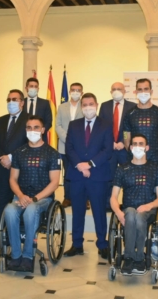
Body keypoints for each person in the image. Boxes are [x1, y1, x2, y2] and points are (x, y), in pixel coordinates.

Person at [4, 116, 61, 271]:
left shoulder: (52, 153)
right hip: (21, 197)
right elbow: (13, 179)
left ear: (43, 130)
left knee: (31, 209)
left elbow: (54, 182)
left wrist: (34, 198)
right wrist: (21, 196)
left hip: (43, 199)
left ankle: (28, 256)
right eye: (29, 128)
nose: (32, 131)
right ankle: (16, 255)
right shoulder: (19, 152)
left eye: (36, 127)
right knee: (9, 210)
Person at [64, 93, 113, 259]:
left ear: (97, 105)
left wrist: (90, 164)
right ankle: (77, 244)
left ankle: (102, 244)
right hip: (77, 175)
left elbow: (107, 150)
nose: (87, 107)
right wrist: (80, 165)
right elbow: (69, 148)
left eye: (90, 104)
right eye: (84, 104)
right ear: (81, 107)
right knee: (77, 211)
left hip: (97, 175)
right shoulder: (73, 125)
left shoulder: (106, 125)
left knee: (99, 211)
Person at [110, 134, 158, 275]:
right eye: (135, 144)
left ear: (147, 147)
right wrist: (118, 212)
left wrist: (149, 206)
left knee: (139, 216)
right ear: (130, 147)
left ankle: (139, 257)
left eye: (141, 144)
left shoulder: (155, 168)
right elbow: (114, 197)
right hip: (128, 210)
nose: (138, 147)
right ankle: (129, 257)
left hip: (149, 210)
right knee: (131, 214)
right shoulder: (122, 168)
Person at [0, 89, 29, 250]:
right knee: (3, 204)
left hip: (22, 170)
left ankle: (21, 235)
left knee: (22, 204)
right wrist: (3, 158)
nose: (11, 102)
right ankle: (3, 236)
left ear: (22, 103)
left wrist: (11, 157)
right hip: (2, 169)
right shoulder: (0, 120)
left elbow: (29, 144)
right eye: (9, 99)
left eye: (15, 99)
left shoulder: (29, 121)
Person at [99, 82, 136, 211]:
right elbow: (101, 126)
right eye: (114, 89)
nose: (116, 91)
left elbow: (133, 127)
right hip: (110, 148)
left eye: (119, 89)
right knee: (109, 177)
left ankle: (128, 204)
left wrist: (123, 142)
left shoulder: (132, 106)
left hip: (125, 148)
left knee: (128, 177)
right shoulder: (104, 106)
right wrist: (111, 143)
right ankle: (108, 204)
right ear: (110, 92)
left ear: (124, 91)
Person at [123, 78, 158, 168]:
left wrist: (155, 153)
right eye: (140, 89)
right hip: (134, 159)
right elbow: (126, 138)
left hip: (155, 159)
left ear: (151, 91)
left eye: (146, 89)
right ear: (135, 92)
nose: (143, 92)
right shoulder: (130, 113)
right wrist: (135, 154)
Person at [56, 82, 84, 208]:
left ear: (82, 92)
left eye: (78, 90)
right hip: (64, 145)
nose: (75, 92)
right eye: (73, 89)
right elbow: (58, 125)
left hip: (82, 146)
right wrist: (68, 139)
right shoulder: (62, 107)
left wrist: (76, 140)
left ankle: (85, 198)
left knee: (83, 172)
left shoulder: (85, 106)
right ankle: (68, 198)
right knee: (67, 173)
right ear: (69, 92)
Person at [23, 78, 52, 142]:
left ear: (38, 89)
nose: (33, 88)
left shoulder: (45, 103)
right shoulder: (22, 103)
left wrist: (39, 132)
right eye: (31, 86)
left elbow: (48, 122)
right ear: (26, 88)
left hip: (40, 138)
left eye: (36, 86)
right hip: (23, 138)